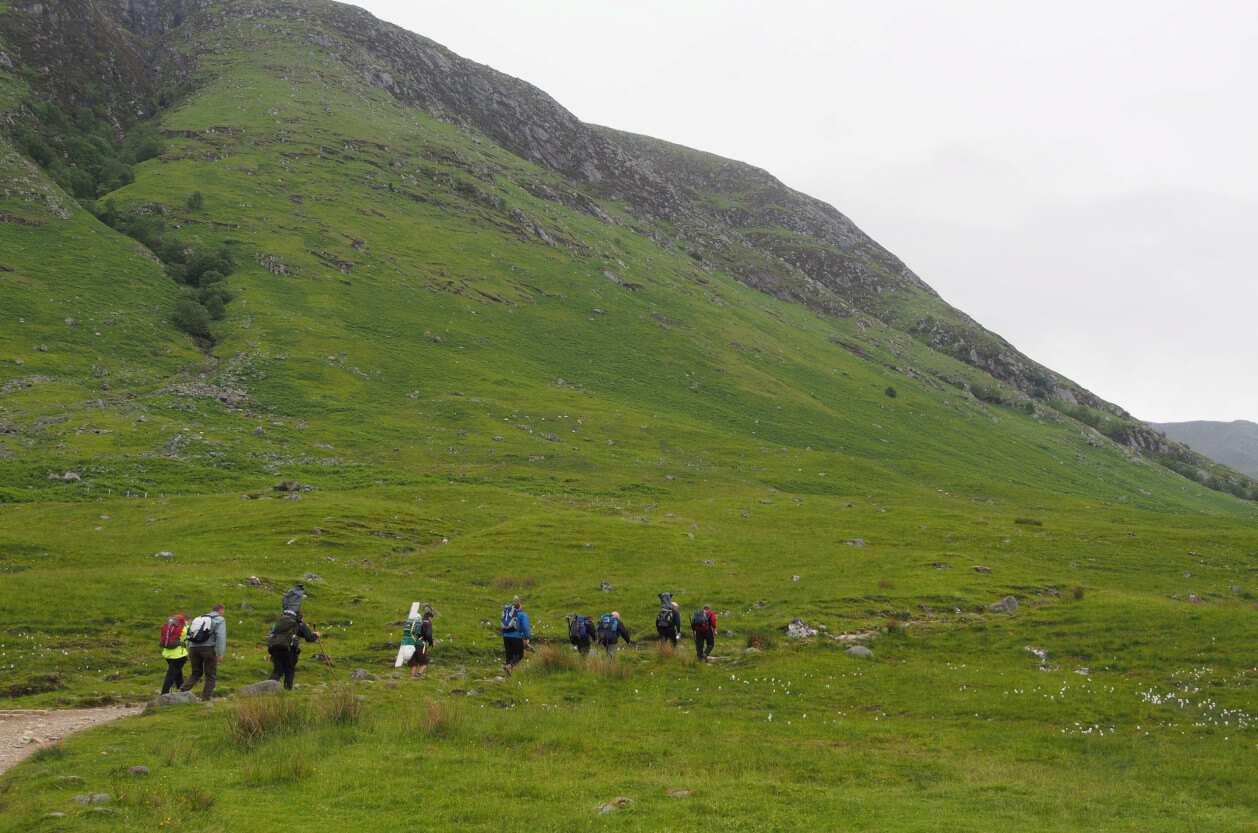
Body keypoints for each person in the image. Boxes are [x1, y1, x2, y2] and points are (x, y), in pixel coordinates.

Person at [179, 603, 226, 700]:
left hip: (193, 648)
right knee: (210, 675)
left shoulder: (199, 618)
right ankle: (205, 698)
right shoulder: (219, 619)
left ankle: (181, 691)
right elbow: (221, 636)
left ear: (211, 609)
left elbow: (191, 634)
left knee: (196, 672)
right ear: (221, 611)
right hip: (208, 649)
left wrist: (189, 650)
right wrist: (221, 653)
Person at [266, 610, 322, 690]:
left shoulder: (280, 624)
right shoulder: (299, 624)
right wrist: (316, 635)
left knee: (277, 672)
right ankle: (287, 690)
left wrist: (272, 654)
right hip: (290, 650)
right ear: (300, 617)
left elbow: (274, 637)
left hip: (275, 649)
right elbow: (309, 638)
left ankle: (266, 689)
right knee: (289, 671)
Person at [160, 614, 189, 695]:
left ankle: (182, 692)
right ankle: (164, 694)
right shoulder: (184, 628)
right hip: (179, 655)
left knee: (178, 674)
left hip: (167, 653)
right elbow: (188, 639)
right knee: (171, 675)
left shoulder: (168, 627)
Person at [501, 597, 530, 674]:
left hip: (506, 637)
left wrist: (505, 635)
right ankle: (509, 666)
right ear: (519, 607)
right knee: (519, 655)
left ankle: (508, 675)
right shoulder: (522, 615)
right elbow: (525, 626)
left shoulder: (508, 615)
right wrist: (527, 637)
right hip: (516, 637)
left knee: (509, 655)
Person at [402, 610, 435, 678]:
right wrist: (431, 643)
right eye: (432, 618)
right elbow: (428, 635)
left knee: (414, 665)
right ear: (430, 618)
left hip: (411, 644)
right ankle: (418, 675)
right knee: (425, 663)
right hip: (420, 644)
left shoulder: (418, 623)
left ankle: (412, 679)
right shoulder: (427, 624)